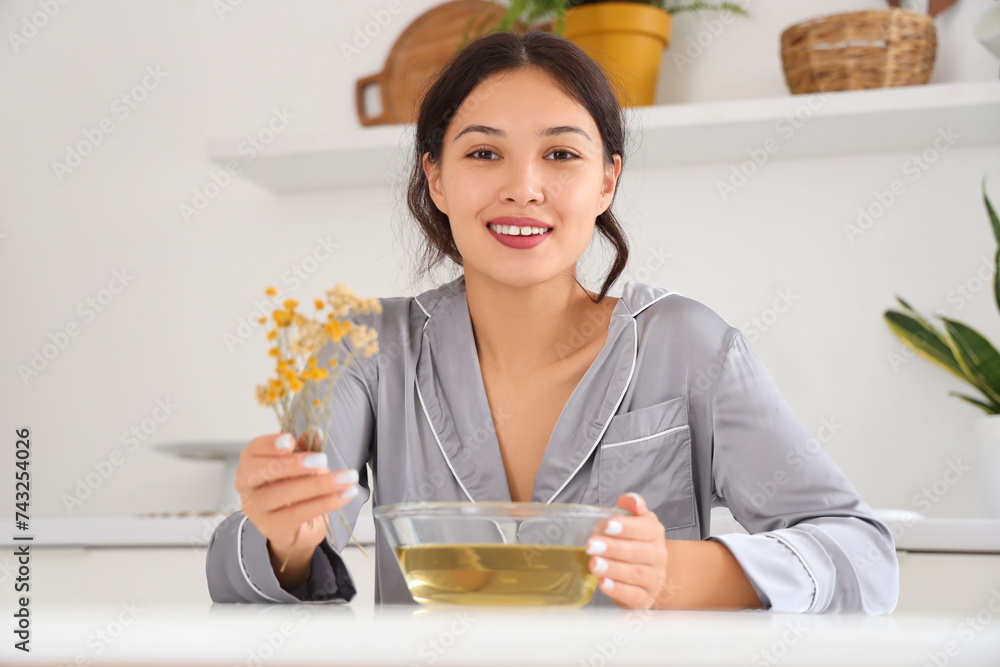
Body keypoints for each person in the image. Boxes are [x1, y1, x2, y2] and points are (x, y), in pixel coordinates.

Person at [206, 30, 898, 613]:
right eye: (483, 152)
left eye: (561, 154)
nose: (523, 186)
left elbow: (862, 554)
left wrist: (676, 571)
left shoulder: (688, 346)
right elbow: (244, 578)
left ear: (607, 180)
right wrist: (285, 542)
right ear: (437, 178)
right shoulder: (360, 347)